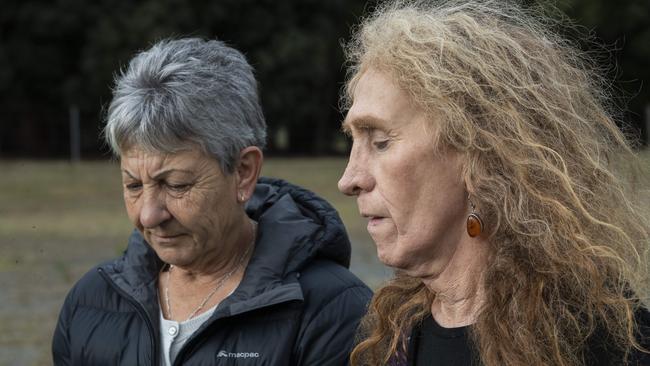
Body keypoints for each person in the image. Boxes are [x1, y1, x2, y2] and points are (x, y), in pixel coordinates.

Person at [337, 1, 650, 365]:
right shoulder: (388, 338)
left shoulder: (609, 342)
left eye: (380, 142)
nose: (349, 180)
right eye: (353, 142)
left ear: (480, 153)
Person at [52, 37, 372, 366]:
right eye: (133, 185)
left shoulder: (331, 313)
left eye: (175, 184)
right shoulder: (91, 303)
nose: (148, 215)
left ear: (244, 172)